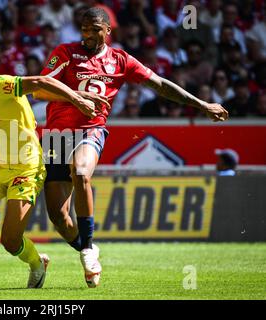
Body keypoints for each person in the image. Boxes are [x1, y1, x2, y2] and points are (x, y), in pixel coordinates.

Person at [34, 7, 228, 288]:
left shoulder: (120, 60)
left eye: (94, 29)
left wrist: (202, 104)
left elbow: (160, 84)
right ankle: (88, 248)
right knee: (59, 218)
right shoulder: (65, 52)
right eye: (84, 29)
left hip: (91, 130)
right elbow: (40, 89)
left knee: (81, 171)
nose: (87, 34)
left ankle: (87, 248)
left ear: (108, 31)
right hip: (56, 136)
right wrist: (77, 96)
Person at [0, 48, 96, 288]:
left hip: (26, 169)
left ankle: (37, 263)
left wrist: (76, 98)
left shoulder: (1, 84)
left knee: (9, 241)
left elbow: (40, 81)